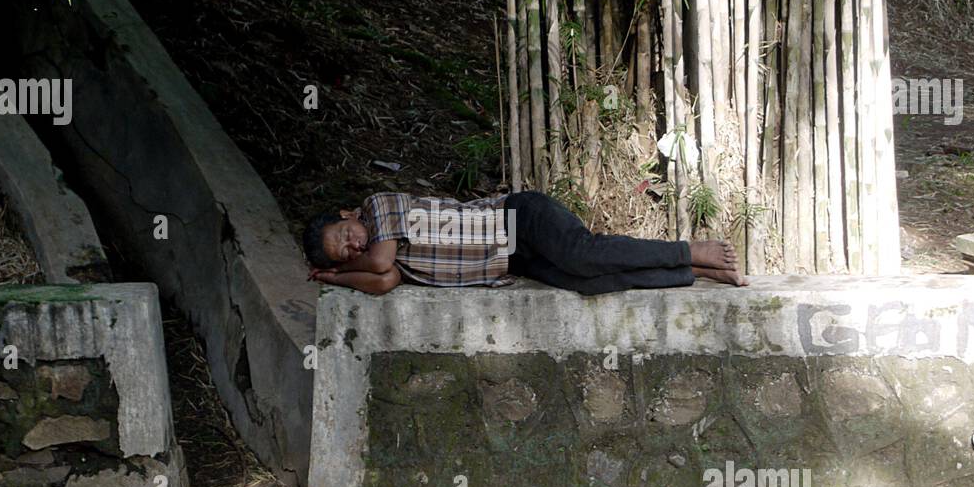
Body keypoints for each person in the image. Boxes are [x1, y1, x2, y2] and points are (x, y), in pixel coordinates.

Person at [302, 189, 749, 296]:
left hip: (515, 218)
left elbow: (378, 265)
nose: (353, 246)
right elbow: (384, 282)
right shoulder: (391, 257)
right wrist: (335, 276)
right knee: (586, 285)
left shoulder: (378, 207)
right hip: (509, 261)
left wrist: (340, 269)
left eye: (346, 237)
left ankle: (690, 249)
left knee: (582, 254)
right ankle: (695, 272)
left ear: (348, 216)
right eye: (345, 251)